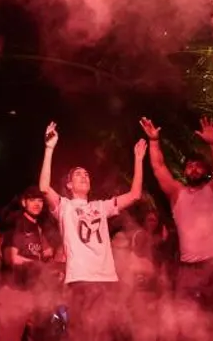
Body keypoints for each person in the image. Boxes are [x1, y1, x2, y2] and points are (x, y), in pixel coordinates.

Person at [38, 121, 146, 340]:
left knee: (106, 333)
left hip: (107, 278)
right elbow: (43, 188)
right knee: (83, 333)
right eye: (78, 174)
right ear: (68, 185)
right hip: (81, 279)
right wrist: (49, 149)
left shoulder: (100, 206)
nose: (84, 176)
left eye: (86, 174)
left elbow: (134, 195)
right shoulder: (64, 207)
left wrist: (138, 160)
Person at [140, 116, 213, 317]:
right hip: (188, 271)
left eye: (198, 165)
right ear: (184, 172)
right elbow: (159, 168)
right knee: (188, 323)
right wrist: (154, 142)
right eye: (190, 165)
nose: (194, 168)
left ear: (206, 171)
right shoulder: (177, 193)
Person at [0, 187, 53, 341]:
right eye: (32, 200)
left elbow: (48, 252)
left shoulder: (37, 227)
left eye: (40, 200)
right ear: (23, 202)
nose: (37, 204)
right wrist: (39, 263)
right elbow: (11, 258)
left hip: (31, 293)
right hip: (13, 293)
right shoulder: (16, 223)